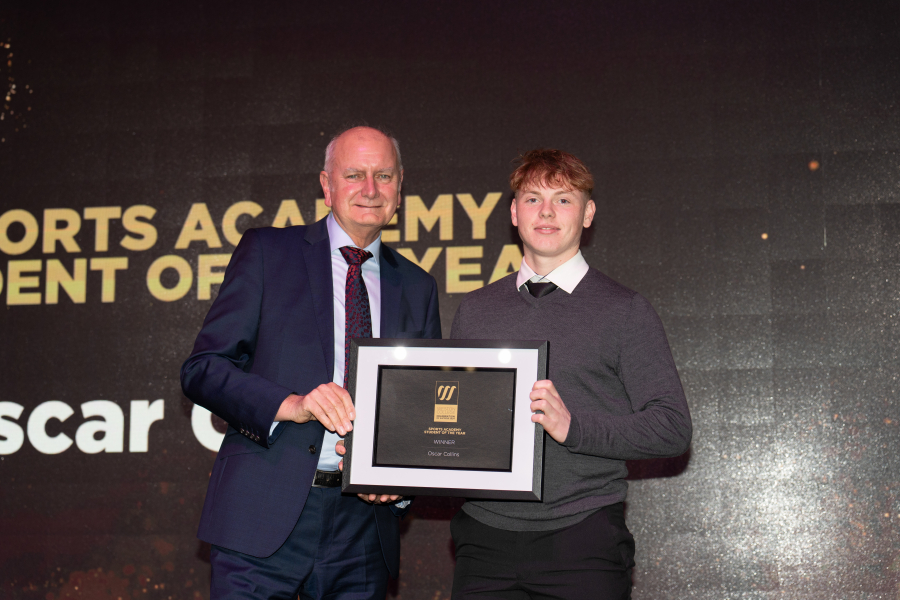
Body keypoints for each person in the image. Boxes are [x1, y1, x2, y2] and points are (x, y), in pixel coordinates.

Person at [181, 125, 441, 600]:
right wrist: (292, 404)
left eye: (384, 176)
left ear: (399, 188)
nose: (370, 189)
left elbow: (421, 410)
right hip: (261, 513)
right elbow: (203, 368)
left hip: (363, 530)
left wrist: (398, 479)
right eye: (354, 174)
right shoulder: (268, 252)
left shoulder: (418, 286)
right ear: (326, 185)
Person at [449, 149, 692, 600]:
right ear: (514, 213)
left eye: (563, 199)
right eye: (533, 199)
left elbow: (671, 428)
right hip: (483, 542)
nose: (546, 212)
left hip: (582, 540)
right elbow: (456, 422)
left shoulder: (624, 310)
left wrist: (574, 428)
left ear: (588, 214)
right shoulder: (475, 310)